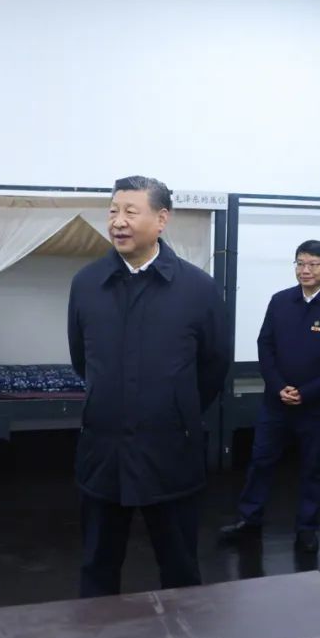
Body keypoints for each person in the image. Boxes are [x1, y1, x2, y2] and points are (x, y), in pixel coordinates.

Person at [67, 175, 230, 597]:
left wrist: (175, 408)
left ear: (161, 220)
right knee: (97, 568)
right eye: (113, 211)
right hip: (103, 451)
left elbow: (214, 366)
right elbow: (82, 360)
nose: (118, 221)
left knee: (180, 569)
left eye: (130, 212)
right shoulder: (86, 284)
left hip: (171, 451)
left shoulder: (198, 289)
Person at [218, 240, 320, 554]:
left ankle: (307, 528)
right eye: (300, 263)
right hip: (276, 402)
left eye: (312, 264)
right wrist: (278, 386)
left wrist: (306, 393)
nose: (305, 270)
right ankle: (249, 519)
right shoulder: (280, 301)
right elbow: (265, 345)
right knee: (260, 461)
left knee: (313, 468)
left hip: (317, 406)